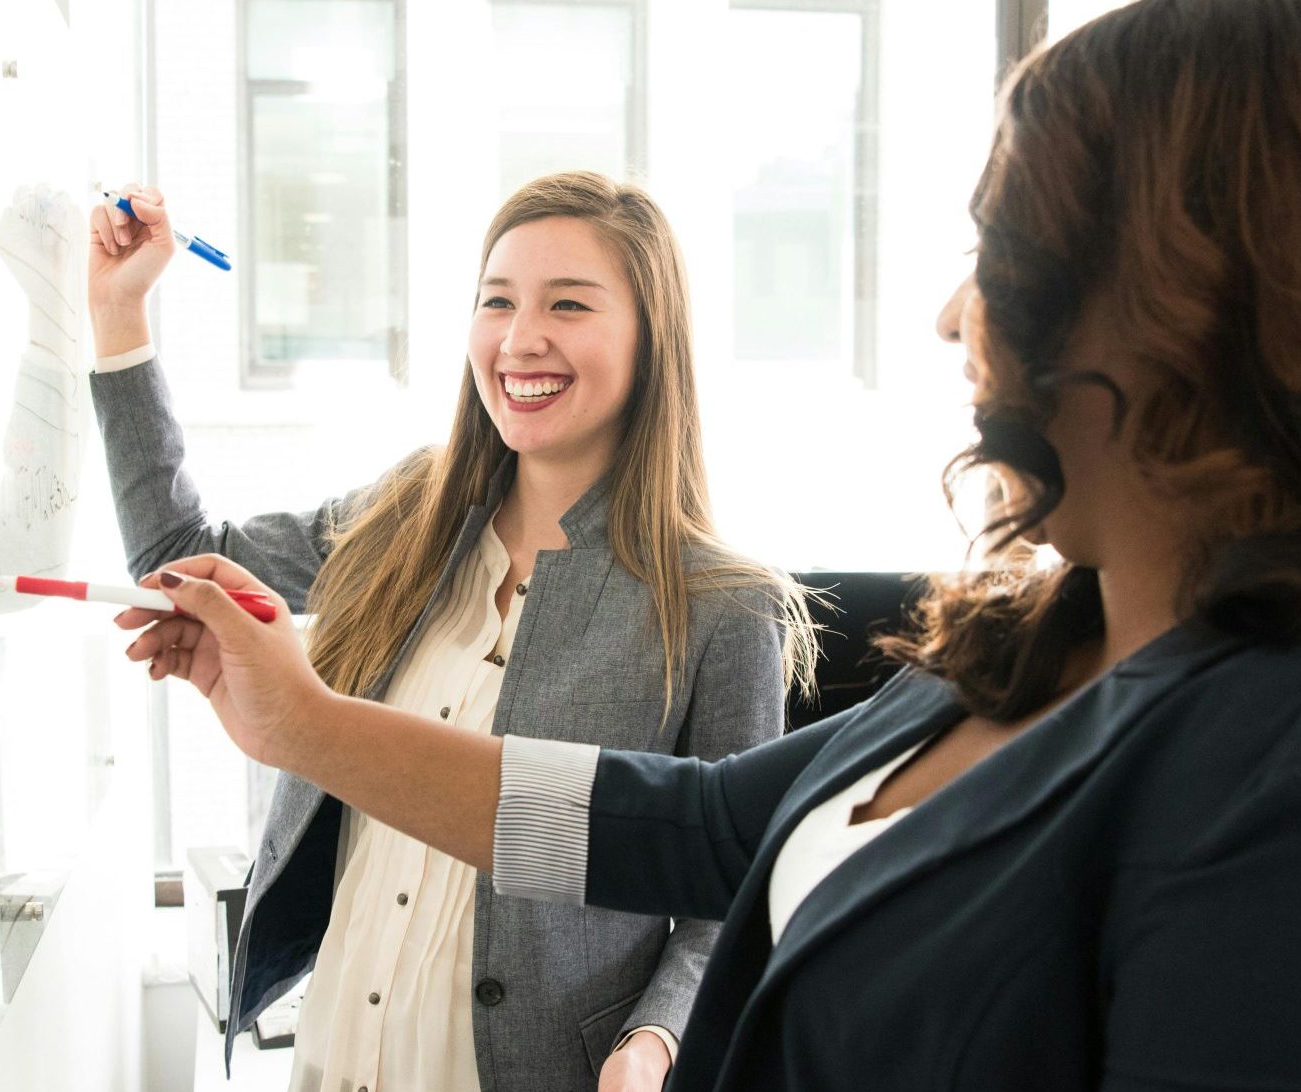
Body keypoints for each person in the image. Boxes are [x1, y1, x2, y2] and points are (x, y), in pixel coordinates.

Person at [114, 1, 1301, 1087]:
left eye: (998, 253)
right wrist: (304, 725)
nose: (954, 312)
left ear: (1186, 299)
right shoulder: (1041, 644)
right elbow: (690, 824)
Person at [84, 171, 817, 1092]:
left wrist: (657, 1038)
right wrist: (119, 315)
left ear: (651, 338)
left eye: (569, 304)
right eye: (496, 302)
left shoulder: (722, 605)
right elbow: (181, 556)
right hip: (333, 1063)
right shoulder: (407, 516)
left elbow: (736, 897)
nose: (520, 339)